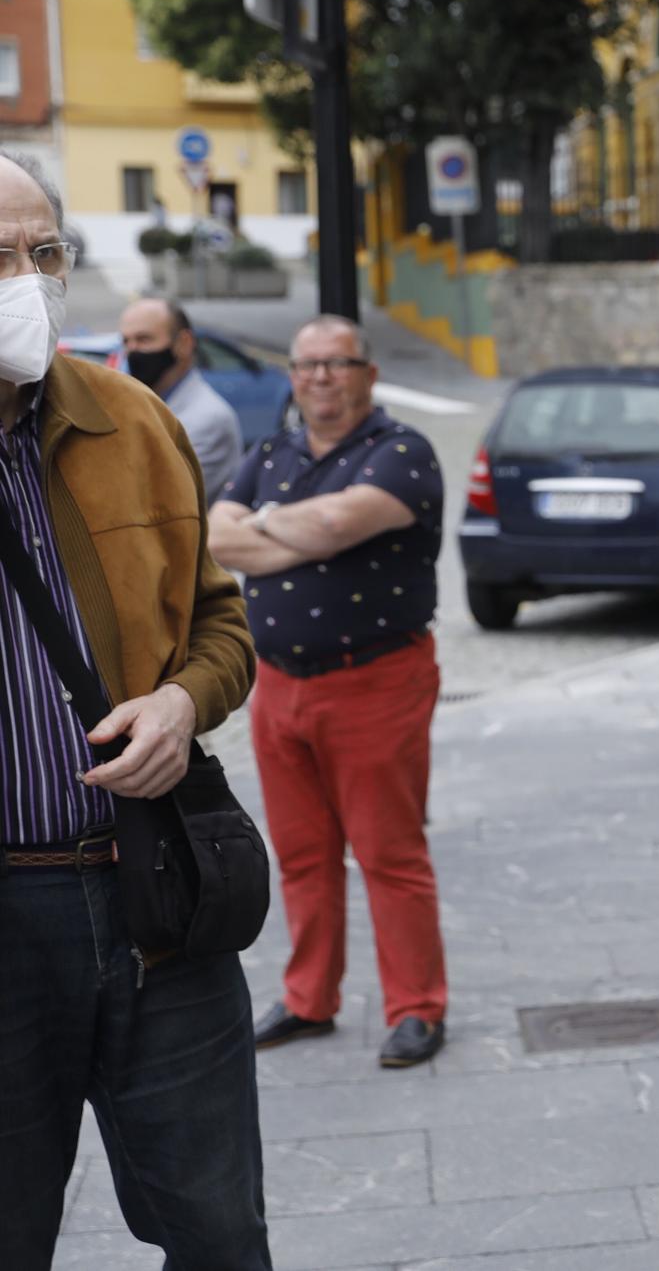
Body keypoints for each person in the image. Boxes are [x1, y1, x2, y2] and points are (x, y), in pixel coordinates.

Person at [0, 149, 268, 1268]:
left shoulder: (134, 423)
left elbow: (225, 627)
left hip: (159, 897)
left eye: (44, 252)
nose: (28, 279)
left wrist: (178, 701)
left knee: (217, 1234)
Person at [207, 315, 451, 1070]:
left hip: (376, 681)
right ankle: (311, 996)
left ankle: (417, 1005)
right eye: (307, 364)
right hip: (279, 684)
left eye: (337, 363)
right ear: (292, 376)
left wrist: (271, 527)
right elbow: (216, 536)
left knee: (389, 851)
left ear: (367, 374)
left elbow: (346, 520)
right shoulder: (270, 453)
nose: (320, 376)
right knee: (302, 853)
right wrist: (297, 529)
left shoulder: (402, 452)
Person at [118, 296, 242, 499]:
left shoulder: (209, 419)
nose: (132, 351)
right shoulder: (134, 405)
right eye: (126, 341)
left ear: (184, 343)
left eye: (144, 339)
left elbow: (159, 500)